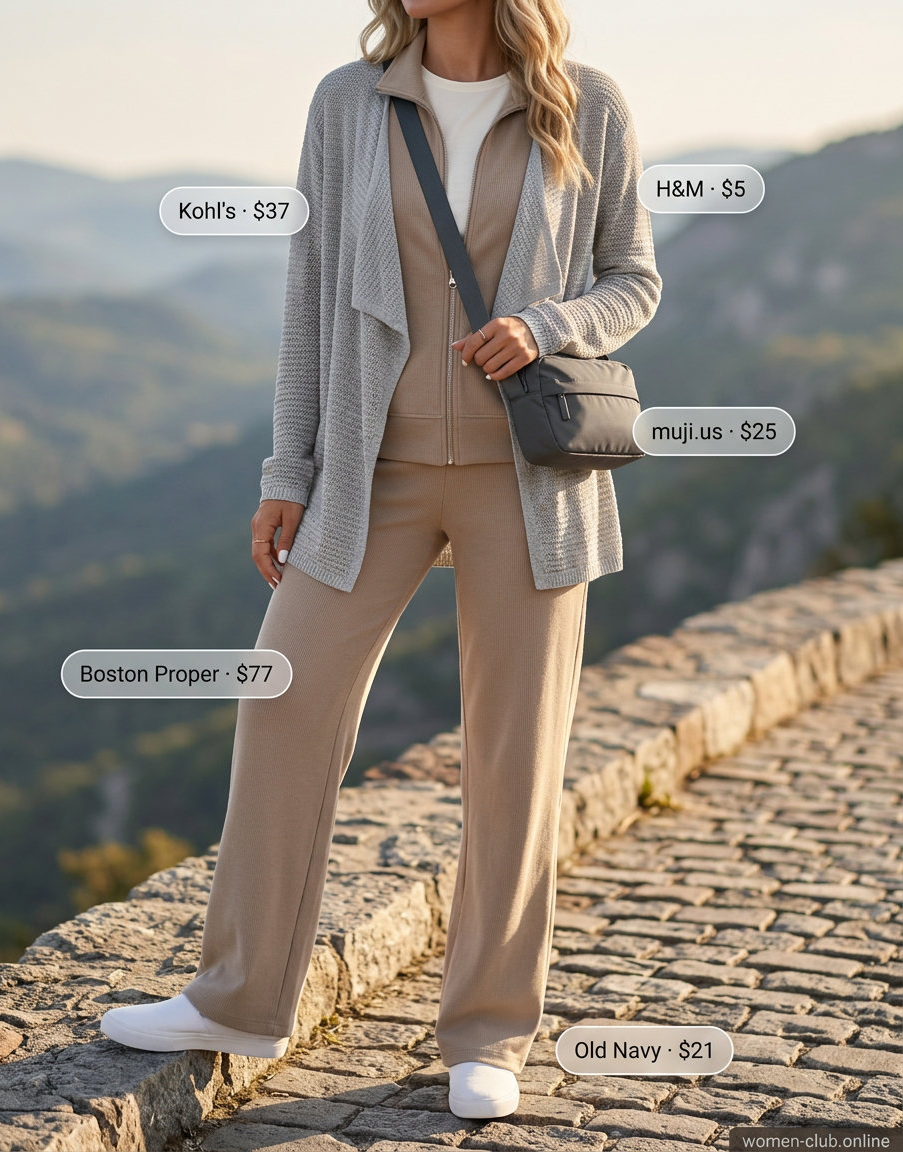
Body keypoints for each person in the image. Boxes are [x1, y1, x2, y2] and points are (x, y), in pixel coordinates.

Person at [99, 0, 661, 1121]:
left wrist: (545, 326)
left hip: (526, 479)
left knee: (513, 753)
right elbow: (309, 292)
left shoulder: (583, 101)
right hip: (371, 471)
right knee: (283, 698)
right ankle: (239, 998)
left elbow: (632, 280)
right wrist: (287, 469)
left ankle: (488, 1033)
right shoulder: (347, 104)